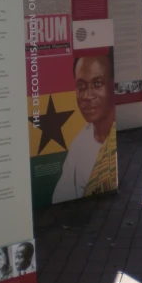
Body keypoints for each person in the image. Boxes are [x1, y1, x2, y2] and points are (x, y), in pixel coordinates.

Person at [51, 54, 117, 204]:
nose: (87, 96)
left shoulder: (113, 140)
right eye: (81, 86)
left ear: (113, 85)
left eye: (98, 83)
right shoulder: (80, 144)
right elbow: (60, 197)